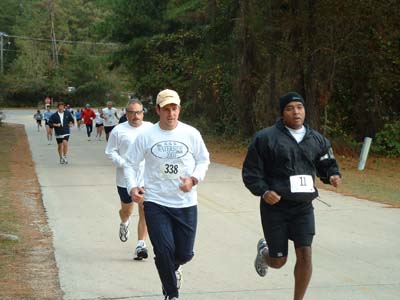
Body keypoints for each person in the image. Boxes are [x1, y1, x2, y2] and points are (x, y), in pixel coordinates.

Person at [242, 92, 342, 300]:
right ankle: (264, 253)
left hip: (303, 207)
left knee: (305, 254)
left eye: (299, 107)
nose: (296, 112)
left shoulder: (317, 139)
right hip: (275, 207)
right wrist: (264, 191)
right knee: (279, 262)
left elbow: (326, 163)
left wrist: (332, 175)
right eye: (290, 108)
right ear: (282, 113)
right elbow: (251, 172)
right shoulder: (265, 138)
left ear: (305, 110)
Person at [124, 89, 210, 300]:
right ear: (157, 110)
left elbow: (203, 159)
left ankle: (172, 270)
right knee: (163, 251)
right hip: (156, 202)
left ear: (179, 109)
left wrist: (194, 179)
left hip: (185, 203)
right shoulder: (147, 135)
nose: (171, 114)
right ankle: (171, 294)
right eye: (166, 109)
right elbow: (130, 163)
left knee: (184, 254)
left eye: (174, 109)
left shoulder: (191, 133)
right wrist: (132, 187)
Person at [105, 99, 153, 260]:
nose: (135, 115)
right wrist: (124, 164)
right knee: (127, 210)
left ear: (143, 113)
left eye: (138, 112)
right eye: (132, 112)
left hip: (146, 176)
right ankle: (124, 222)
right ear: (126, 114)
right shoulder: (118, 131)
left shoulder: (151, 128)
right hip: (124, 178)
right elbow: (110, 152)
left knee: (145, 209)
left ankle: (141, 244)